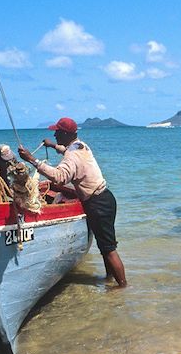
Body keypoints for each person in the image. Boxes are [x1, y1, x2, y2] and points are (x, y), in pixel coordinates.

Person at [18, 117, 127, 287]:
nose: (54, 134)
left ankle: (123, 287)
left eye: (57, 132)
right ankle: (109, 280)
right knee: (105, 246)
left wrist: (32, 160)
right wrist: (53, 146)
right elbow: (67, 150)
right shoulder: (80, 145)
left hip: (97, 204)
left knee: (109, 249)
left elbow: (59, 178)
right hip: (106, 198)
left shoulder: (73, 156)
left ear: (65, 133)